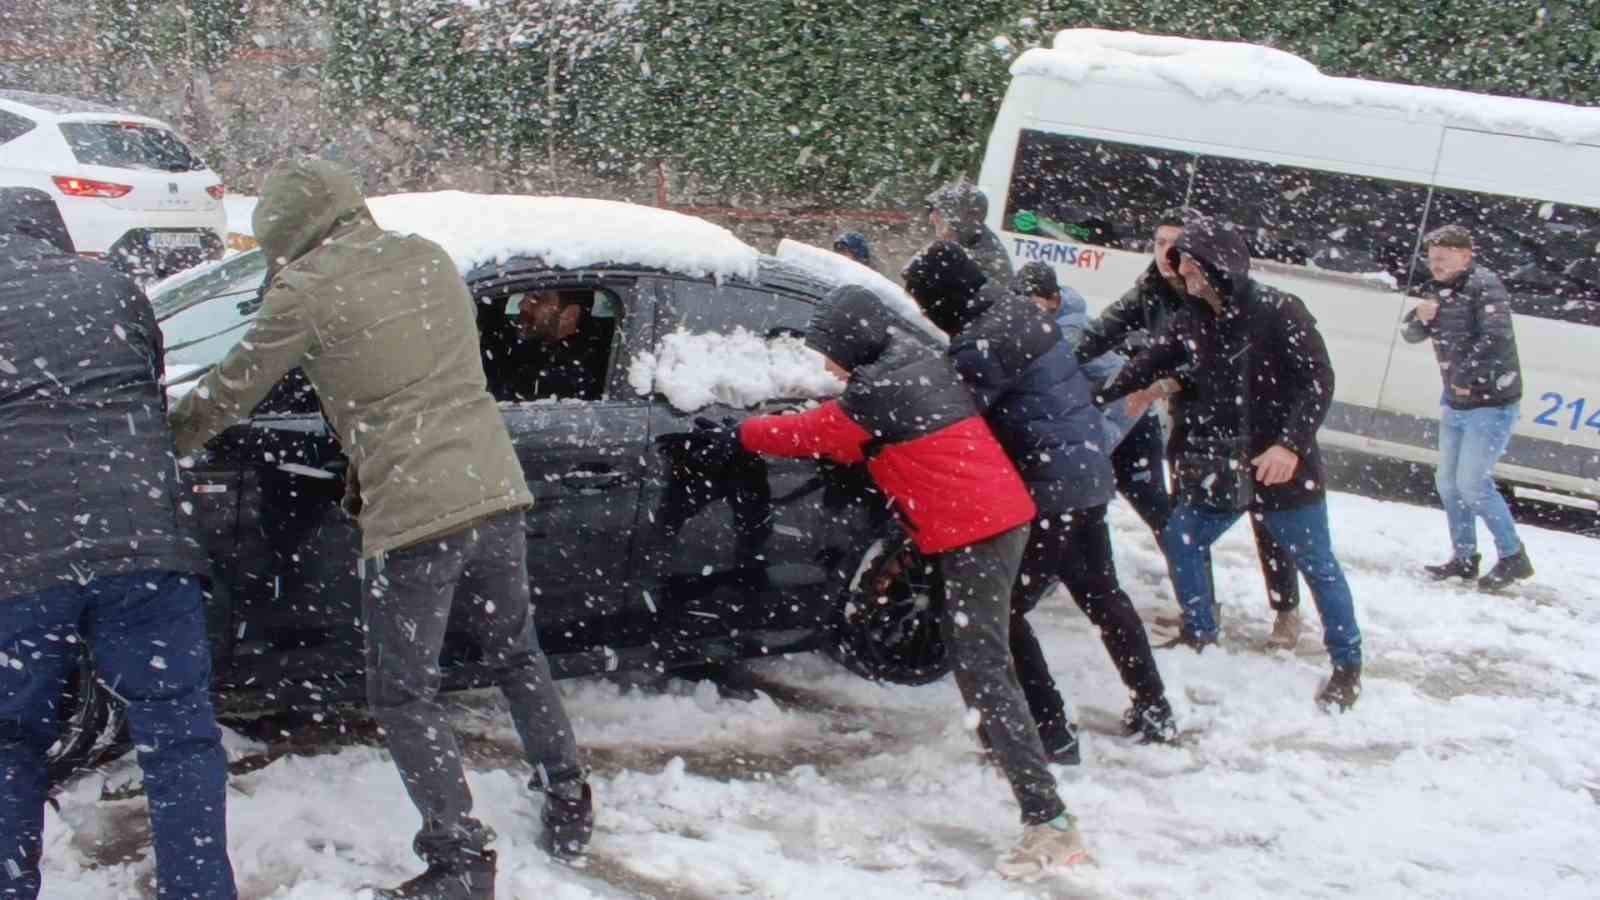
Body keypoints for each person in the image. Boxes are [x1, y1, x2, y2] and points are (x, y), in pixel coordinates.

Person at [168, 159, 590, 899]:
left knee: (402, 693)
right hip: (493, 489)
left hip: (414, 515)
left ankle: (460, 861)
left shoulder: (304, 289)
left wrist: (161, 439)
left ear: (290, 237)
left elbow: (233, 389)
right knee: (515, 652)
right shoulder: (427, 254)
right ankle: (569, 794)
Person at [689, 284, 1087, 878]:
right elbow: (865, 439)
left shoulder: (879, 391)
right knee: (989, 654)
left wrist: (736, 436)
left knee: (984, 670)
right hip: (994, 519)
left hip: (975, 532)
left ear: (851, 342)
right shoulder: (908, 362)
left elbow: (818, 433)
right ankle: (1030, 744)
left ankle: (1049, 820)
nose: (823, 364)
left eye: (827, 350)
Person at [0, 188, 237, 899]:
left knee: (11, 744)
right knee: (180, 739)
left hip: (21, 565)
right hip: (146, 551)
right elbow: (148, 383)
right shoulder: (111, 286)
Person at [905, 243, 1178, 748]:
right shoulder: (1017, 315)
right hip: (1087, 474)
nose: (925, 313)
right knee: (1103, 596)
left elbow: (949, 414)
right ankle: (1154, 707)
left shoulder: (983, 341)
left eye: (924, 302)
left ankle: (1049, 729)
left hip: (1047, 490)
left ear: (942, 296)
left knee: (1002, 609)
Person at [1099, 216, 1364, 711]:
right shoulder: (1194, 316)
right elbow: (1150, 360)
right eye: (1186, 272)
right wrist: (1091, 393)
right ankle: (1200, 632)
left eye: (1197, 271)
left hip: (1281, 465)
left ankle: (1347, 665)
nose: (1190, 282)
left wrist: (1289, 445)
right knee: (1182, 537)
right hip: (1221, 462)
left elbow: (1317, 382)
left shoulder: (1280, 311)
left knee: (1317, 564)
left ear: (1223, 268)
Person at [1073, 209, 1306, 650]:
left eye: (1175, 245)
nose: (1167, 254)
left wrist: (1161, 381)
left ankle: (1285, 607)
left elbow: (1214, 363)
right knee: (1184, 516)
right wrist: (1061, 364)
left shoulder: (1218, 293)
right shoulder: (1151, 287)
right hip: (1190, 422)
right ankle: (1200, 611)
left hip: (1244, 424)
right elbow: (1102, 331)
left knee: (1266, 518)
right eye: (1159, 243)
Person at [1402, 224, 1532, 590]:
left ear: (1466, 256)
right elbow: (1411, 334)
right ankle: (1464, 557)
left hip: (1492, 404)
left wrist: (1464, 374)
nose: (1437, 264)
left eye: (1444, 257)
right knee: (1448, 482)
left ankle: (1513, 556)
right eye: (1433, 258)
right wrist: (1418, 317)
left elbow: (1497, 337)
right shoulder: (1437, 290)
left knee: (1473, 483)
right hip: (1457, 403)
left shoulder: (1485, 286)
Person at [926, 180, 1013, 285]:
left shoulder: (988, 263)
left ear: (962, 219)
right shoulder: (959, 241)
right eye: (932, 210)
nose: (931, 217)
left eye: (939, 211)